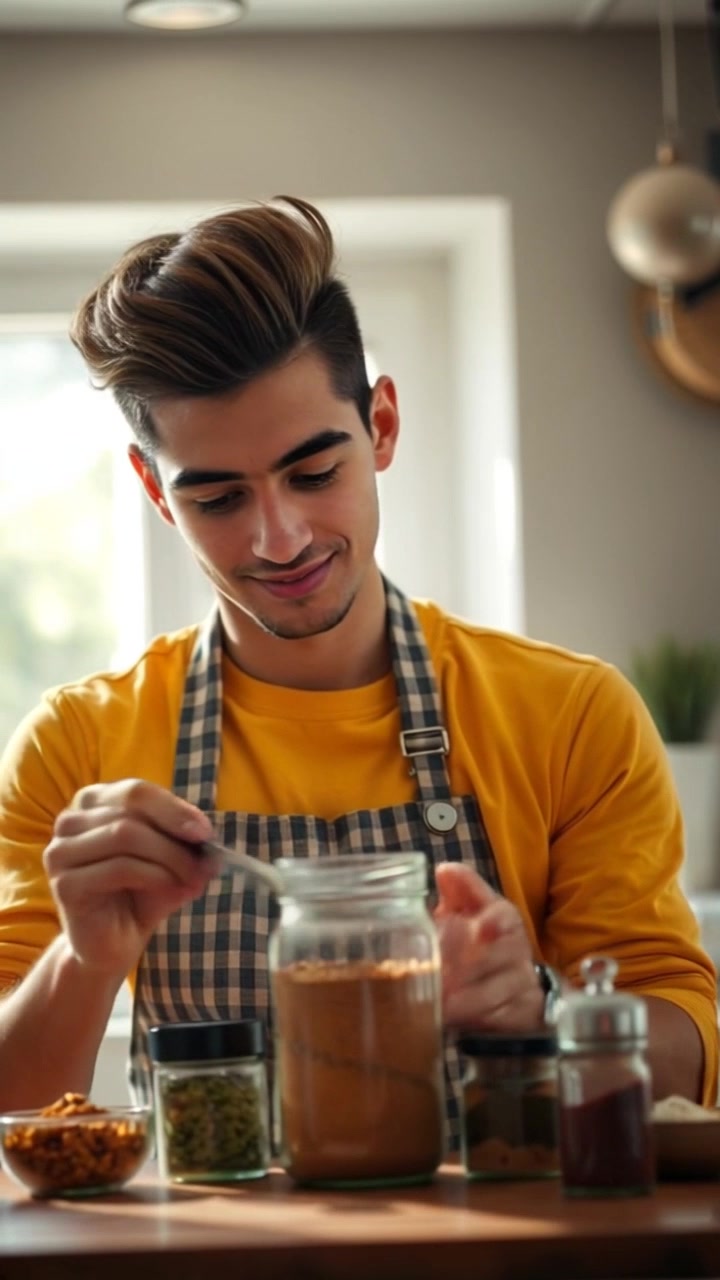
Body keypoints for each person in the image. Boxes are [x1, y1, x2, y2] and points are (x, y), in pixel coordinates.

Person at [0, 197, 715, 1144]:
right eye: (217, 496)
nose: (279, 538)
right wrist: (83, 964)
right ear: (153, 492)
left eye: (312, 472)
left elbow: (690, 1053)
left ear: (379, 425)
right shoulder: (81, 742)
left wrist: (542, 1013)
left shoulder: (569, 712)